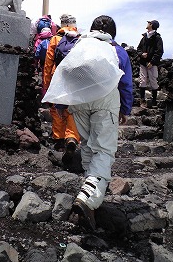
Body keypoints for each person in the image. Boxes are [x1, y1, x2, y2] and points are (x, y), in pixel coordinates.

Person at [68, 15, 133, 230]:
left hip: (79, 100)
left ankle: (89, 185)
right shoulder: (117, 50)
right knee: (104, 149)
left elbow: (65, 71)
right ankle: (89, 196)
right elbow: (124, 82)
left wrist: (61, 104)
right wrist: (125, 108)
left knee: (87, 144)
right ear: (112, 33)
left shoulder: (80, 45)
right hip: (105, 100)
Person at [43, 13, 81, 159]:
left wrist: (46, 86)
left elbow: (48, 64)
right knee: (73, 109)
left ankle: (58, 139)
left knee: (56, 109)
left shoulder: (55, 39)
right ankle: (71, 137)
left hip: (57, 78)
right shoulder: (80, 40)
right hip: (76, 80)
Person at [137, 20, 164, 108]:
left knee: (153, 81)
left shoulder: (157, 38)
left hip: (153, 63)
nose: (147, 24)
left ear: (151, 25)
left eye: (149, 23)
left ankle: (154, 101)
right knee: (142, 81)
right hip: (143, 62)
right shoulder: (144, 37)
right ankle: (142, 101)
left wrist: (152, 62)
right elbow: (138, 49)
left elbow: (159, 51)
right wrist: (141, 54)